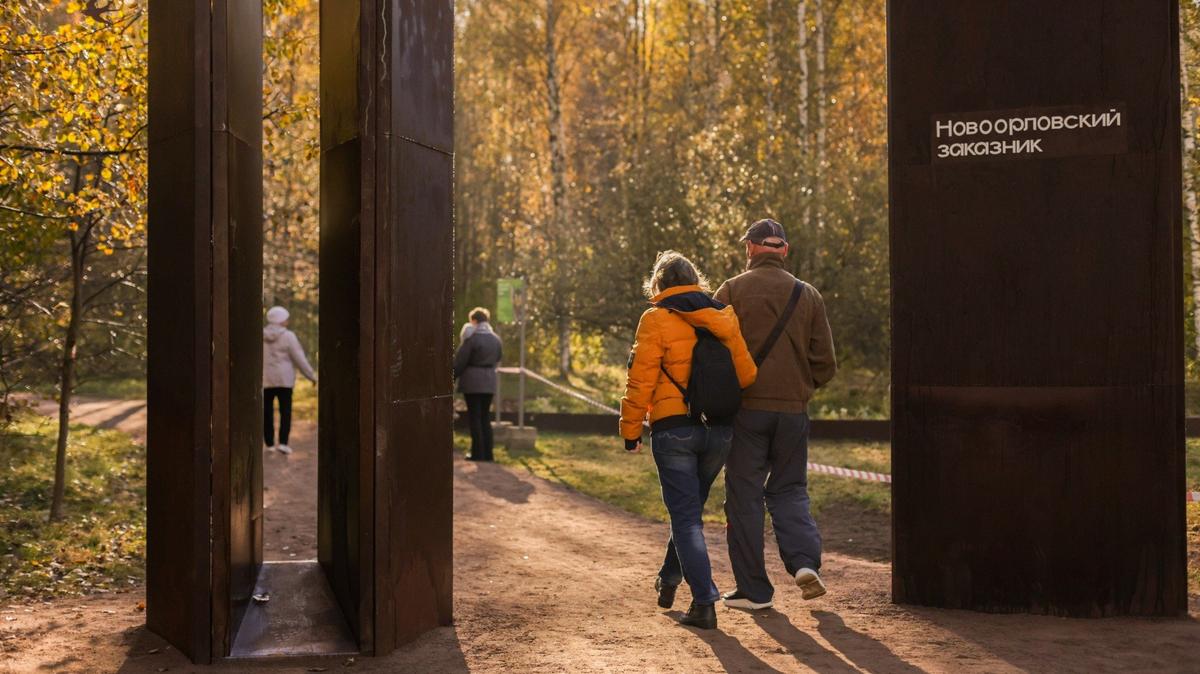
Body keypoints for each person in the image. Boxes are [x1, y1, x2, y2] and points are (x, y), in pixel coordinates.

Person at [620, 251, 757, 630]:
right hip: (719, 430)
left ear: (659, 284)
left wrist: (630, 431)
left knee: (685, 517)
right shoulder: (721, 316)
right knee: (689, 513)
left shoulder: (656, 319)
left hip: (673, 429)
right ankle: (669, 578)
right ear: (696, 280)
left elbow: (640, 381)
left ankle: (704, 601)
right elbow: (746, 375)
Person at [713, 219, 837, 610]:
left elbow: (713, 354)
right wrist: (799, 389)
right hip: (793, 413)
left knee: (744, 497)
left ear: (750, 248)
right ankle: (803, 563)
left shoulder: (730, 290)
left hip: (746, 412)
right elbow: (826, 363)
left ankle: (754, 590)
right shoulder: (808, 294)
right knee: (790, 488)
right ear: (784, 250)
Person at [262, 305, 316, 455]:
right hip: (285, 380)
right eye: (286, 318)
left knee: (267, 411)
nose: (288, 321)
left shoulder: (261, 335)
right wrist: (311, 375)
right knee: (285, 411)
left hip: (266, 380)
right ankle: (283, 443)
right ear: (281, 320)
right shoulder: (288, 336)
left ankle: (269, 443)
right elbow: (299, 358)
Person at [453, 307, 503, 462]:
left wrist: (452, 376)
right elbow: (499, 357)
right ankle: (488, 454)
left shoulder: (472, 339)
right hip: (489, 381)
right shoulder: (496, 339)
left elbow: (461, 361)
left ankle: (477, 453)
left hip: (473, 382)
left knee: (474, 417)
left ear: (474, 320)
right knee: (485, 417)